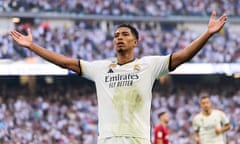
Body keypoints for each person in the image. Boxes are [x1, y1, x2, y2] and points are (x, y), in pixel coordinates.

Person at [9, 11, 227, 144]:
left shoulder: (149, 65)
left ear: (135, 42)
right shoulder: (100, 68)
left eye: (124, 35)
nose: (119, 38)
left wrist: (207, 33)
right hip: (108, 141)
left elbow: (183, 56)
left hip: (138, 140)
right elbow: (66, 62)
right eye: (115, 36)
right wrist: (32, 46)